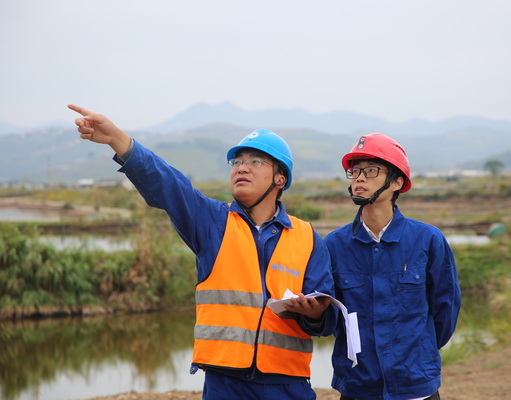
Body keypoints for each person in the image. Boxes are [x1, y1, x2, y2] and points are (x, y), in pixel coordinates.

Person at [68, 104, 336, 400]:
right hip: (225, 385)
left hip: (287, 385)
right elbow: (168, 186)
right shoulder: (213, 222)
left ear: (280, 178)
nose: (242, 167)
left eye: (256, 161)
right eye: (237, 162)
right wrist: (118, 140)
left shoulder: (307, 237)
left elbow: (325, 318)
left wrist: (314, 314)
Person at [324, 133, 461, 400]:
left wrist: (418, 354)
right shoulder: (334, 245)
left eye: (371, 170)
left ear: (397, 182)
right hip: (357, 385)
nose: (359, 178)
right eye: (355, 171)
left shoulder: (428, 240)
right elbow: (330, 319)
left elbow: (446, 310)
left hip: (415, 386)